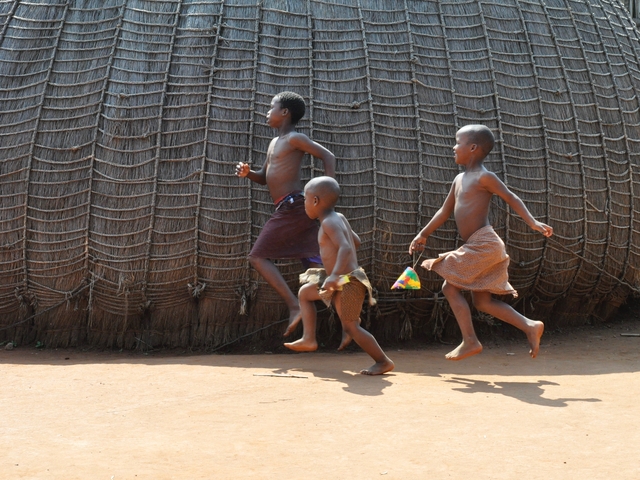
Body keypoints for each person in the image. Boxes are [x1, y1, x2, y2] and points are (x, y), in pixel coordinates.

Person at [409, 124, 553, 361]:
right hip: (480, 245)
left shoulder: (485, 177)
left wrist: (533, 222)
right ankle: (530, 325)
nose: (453, 147)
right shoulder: (459, 179)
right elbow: (444, 212)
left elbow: (511, 197)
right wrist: (422, 234)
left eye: (458, 142)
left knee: (449, 286)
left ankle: (470, 340)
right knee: (482, 301)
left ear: (473, 148)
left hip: (484, 244)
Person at [236, 92, 336, 332]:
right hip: (287, 206)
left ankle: (294, 305)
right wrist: (248, 173)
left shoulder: (294, 138)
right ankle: (344, 318)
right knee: (315, 265)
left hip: (293, 205)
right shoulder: (274, 143)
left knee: (257, 256)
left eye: (272, 107)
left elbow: (328, 156)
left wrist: (327, 195)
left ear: (285, 113)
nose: (267, 112)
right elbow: (264, 178)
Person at [284, 176, 394, 376]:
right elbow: (356, 241)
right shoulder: (339, 218)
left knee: (352, 327)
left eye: (306, 200)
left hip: (348, 281)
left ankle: (383, 361)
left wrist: (334, 274)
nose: (305, 204)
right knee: (306, 293)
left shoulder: (327, 223)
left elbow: (345, 247)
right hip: (343, 280)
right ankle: (309, 339)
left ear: (315, 201)